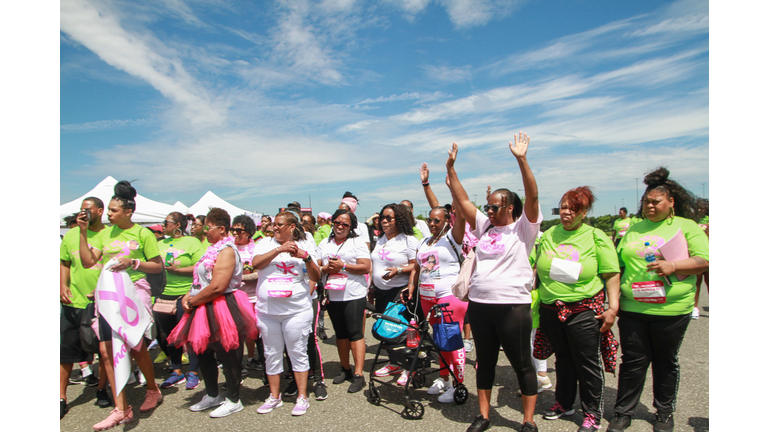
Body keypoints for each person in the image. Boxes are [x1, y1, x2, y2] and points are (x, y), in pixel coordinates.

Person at [445, 133, 542, 432]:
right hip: (481, 305)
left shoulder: (524, 228)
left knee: (522, 364)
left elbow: (533, 197)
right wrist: (451, 169)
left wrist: (522, 160)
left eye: (494, 207)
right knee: (484, 363)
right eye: (486, 206)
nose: (487, 211)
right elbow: (462, 201)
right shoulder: (485, 226)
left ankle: (528, 421)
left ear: (510, 207)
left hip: (513, 307)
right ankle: (484, 415)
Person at [606, 168, 709, 432]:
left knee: (665, 361)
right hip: (633, 307)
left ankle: (664, 412)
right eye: (646, 202)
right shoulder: (633, 228)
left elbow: (705, 260)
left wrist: (673, 265)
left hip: (671, 310)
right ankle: (623, 412)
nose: (650, 206)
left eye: (656, 202)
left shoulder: (686, 226)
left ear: (670, 202)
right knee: (632, 361)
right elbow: (619, 265)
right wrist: (614, 302)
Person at [76, 181, 164, 430]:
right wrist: (83, 232)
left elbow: (157, 266)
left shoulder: (142, 233)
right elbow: (87, 261)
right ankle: (122, 409)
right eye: (109, 210)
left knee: (136, 347)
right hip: (108, 296)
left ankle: (152, 389)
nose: (108, 214)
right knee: (105, 352)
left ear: (128, 212)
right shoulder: (104, 233)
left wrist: (133, 263)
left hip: (134, 294)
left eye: (113, 211)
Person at [535, 186, 620, 432]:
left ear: (584, 212)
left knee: (587, 362)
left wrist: (612, 308)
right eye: (563, 207)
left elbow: (611, 274)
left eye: (574, 209)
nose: (567, 213)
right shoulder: (550, 233)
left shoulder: (595, 236)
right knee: (562, 358)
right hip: (551, 309)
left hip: (583, 309)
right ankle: (563, 403)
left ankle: (592, 413)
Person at [167, 208, 258, 418]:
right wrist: (188, 296)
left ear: (222, 228)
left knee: (228, 354)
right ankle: (212, 394)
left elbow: (218, 286)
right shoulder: (210, 250)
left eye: (207, 227)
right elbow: (200, 279)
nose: (204, 231)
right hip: (202, 305)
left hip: (222, 305)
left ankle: (234, 399)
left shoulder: (227, 250)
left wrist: (193, 301)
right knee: (202, 353)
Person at [251, 210, 322, 416]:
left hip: (296, 310)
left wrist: (306, 257)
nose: (275, 227)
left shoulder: (306, 244)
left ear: (292, 226)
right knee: (271, 353)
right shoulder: (265, 243)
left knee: (297, 351)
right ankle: (274, 396)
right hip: (268, 311)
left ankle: (302, 396)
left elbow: (316, 275)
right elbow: (255, 264)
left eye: (280, 224)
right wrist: (279, 250)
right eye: (274, 224)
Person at [407, 199, 468, 403]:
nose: (432, 223)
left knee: (452, 340)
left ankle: (458, 384)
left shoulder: (453, 238)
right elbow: (417, 267)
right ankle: (444, 379)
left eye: (437, 220)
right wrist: (411, 284)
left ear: (447, 221)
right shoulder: (424, 242)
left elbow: (461, 215)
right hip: (427, 297)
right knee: (439, 340)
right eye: (430, 220)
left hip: (448, 296)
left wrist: (452, 188)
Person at [60, 197, 110, 419]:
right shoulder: (71, 234)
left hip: (102, 302)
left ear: (100, 211)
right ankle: (61, 397)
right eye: (81, 210)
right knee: (66, 352)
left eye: (88, 210)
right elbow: (64, 262)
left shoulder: (109, 235)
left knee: (103, 351)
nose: (84, 213)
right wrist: (62, 284)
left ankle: (101, 388)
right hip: (74, 301)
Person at [318, 209, 371, 393]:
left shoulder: (357, 242)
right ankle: (345, 369)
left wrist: (344, 266)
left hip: (353, 294)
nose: (340, 226)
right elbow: (317, 264)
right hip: (332, 293)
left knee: (355, 333)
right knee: (340, 334)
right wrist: (325, 269)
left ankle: (359, 374)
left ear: (351, 227)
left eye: (345, 224)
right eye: (337, 222)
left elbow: (366, 266)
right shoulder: (325, 242)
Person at [154, 212, 204, 391]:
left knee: (189, 335)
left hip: (185, 294)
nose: (162, 225)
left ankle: (194, 372)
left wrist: (178, 269)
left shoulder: (192, 242)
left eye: (166, 222)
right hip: (163, 295)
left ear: (177, 225)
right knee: (170, 336)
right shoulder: (159, 243)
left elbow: (201, 267)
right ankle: (176, 370)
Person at [231, 215, 266, 372]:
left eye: (239, 230)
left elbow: (260, 273)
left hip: (254, 298)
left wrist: (240, 277)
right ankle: (237, 370)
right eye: (233, 229)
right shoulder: (227, 248)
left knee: (258, 334)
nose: (235, 233)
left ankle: (265, 369)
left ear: (249, 232)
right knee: (237, 335)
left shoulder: (256, 249)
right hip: (234, 298)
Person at [692, 198, 709, 319]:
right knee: (696, 282)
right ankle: (695, 308)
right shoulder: (693, 221)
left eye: (701, 208)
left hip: (709, 254)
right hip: (697, 255)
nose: (699, 210)